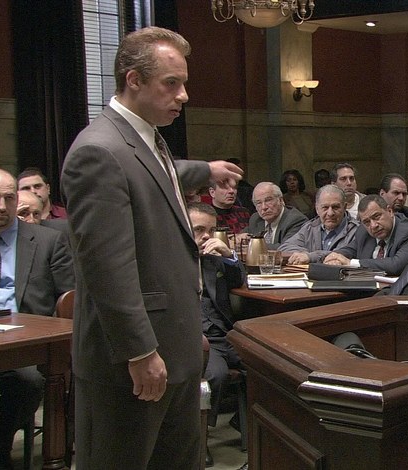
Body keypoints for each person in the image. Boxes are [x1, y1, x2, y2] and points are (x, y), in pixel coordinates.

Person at [61, 26, 242, 470]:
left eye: (184, 83)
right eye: (171, 83)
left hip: (174, 351)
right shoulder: (97, 153)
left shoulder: (142, 137)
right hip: (132, 363)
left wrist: (205, 170)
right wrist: (139, 352)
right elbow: (107, 269)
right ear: (134, 80)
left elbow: (158, 174)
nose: (183, 96)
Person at [0, 168, 75, 469]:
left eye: (9, 198)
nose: (2, 206)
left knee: (28, 381)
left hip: (23, 342)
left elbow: (70, 299)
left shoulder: (48, 241)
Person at [187, 202, 244, 466]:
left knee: (270, 364)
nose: (206, 236)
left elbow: (238, 280)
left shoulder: (212, 258)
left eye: (211, 230)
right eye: (199, 230)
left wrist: (229, 254)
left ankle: (246, 422)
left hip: (225, 333)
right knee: (216, 375)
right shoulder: (170, 261)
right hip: (196, 338)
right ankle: (200, 438)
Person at [324, 194, 408, 276]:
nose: (373, 225)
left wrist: (350, 263)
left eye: (376, 217)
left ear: (390, 211)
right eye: (367, 222)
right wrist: (335, 257)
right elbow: (350, 250)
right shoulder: (363, 231)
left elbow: (396, 265)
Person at [279, 185, 360, 264]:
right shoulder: (310, 227)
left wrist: (311, 256)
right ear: (317, 209)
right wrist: (304, 254)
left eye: (335, 207)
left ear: (345, 207)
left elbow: (341, 254)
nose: (330, 213)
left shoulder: (356, 231)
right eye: (325, 207)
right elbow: (284, 247)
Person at [245, 182, 307, 249]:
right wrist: (238, 238)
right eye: (259, 203)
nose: (264, 207)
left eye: (268, 200)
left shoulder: (296, 220)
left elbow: (286, 248)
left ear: (281, 200)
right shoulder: (256, 219)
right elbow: (243, 235)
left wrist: (252, 245)